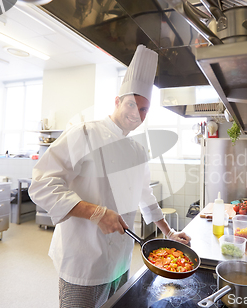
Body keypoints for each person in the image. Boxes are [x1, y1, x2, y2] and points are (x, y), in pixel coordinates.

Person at [28, 45, 191, 308]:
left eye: (144, 109)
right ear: (116, 102)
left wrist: (168, 232)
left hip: (120, 260)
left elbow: (144, 195)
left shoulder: (137, 149)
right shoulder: (83, 134)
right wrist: (96, 213)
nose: (136, 114)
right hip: (83, 261)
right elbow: (42, 184)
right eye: (130, 104)